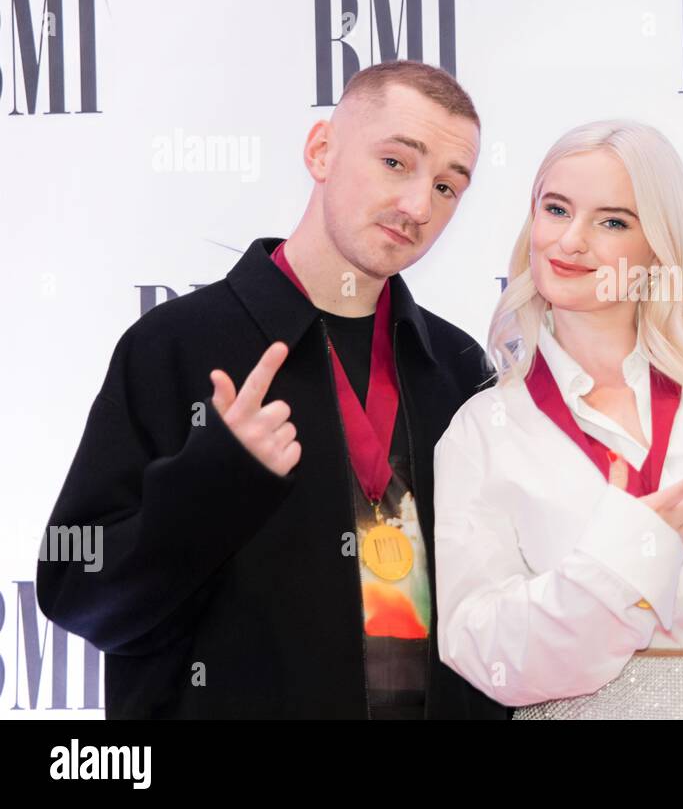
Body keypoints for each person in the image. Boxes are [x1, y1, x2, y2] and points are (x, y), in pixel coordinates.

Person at [37, 60, 507, 719]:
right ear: (321, 151)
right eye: (397, 163)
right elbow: (76, 593)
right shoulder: (175, 346)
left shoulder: (457, 367)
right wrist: (213, 482)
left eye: (448, 186)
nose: (418, 206)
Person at [432, 120, 683, 718]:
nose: (571, 241)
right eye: (556, 209)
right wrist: (621, 557)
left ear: (661, 246)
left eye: (612, 221)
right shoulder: (483, 431)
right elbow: (484, 651)